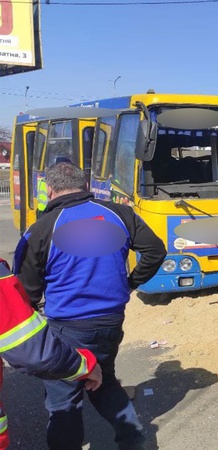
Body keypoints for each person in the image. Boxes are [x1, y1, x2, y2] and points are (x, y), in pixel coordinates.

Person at [14, 162, 167, 450]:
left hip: (67, 328)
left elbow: (26, 291)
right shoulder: (119, 214)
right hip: (111, 322)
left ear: (50, 189)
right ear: (84, 184)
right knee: (104, 381)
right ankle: (134, 442)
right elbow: (155, 250)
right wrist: (131, 283)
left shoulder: (41, 229)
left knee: (64, 401)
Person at [0, 257, 103, 450]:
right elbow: (33, 352)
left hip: (65, 319)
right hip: (106, 317)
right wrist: (85, 366)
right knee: (73, 399)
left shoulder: (39, 232)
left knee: (64, 400)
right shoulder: (119, 225)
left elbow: (28, 274)